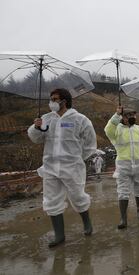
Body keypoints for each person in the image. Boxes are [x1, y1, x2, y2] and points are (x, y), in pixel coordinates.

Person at [27, 88, 96, 248]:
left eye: (55, 99)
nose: (52, 102)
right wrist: (36, 128)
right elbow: (36, 139)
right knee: (51, 199)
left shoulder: (80, 119)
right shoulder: (46, 119)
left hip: (72, 167)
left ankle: (87, 223)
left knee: (78, 196)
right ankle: (59, 235)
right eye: (51, 98)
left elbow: (90, 143)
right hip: (50, 166)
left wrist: (77, 159)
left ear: (65, 101)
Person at [104, 106, 139, 229]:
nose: (132, 117)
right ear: (123, 117)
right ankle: (123, 218)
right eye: (129, 115)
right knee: (123, 191)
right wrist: (116, 115)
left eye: (133, 115)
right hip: (123, 166)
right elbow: (108, 130)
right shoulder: (117, 130)